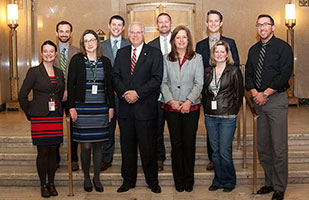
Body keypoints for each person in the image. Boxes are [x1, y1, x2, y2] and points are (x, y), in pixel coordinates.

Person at [245, 14, 293, 200]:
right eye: (259, 25)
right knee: (263, 147)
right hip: (259, 102)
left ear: (273, 27)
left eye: (266, 24)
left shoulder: (283, 48)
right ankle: (269, 182)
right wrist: (255, 92)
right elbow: (248, 73)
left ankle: (280, 186)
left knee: (278, 147)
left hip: (276, 101)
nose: (262, 28)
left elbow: (285, 73)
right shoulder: (253, 50)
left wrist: (266, 93)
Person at [111, 22, 163, 193]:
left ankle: (152, 181)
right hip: (126, 109)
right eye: (132, 32)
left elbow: (156, 79)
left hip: (145, 109)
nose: (134, 35)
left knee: (148, 148)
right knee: (127, 148)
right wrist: (126, 92)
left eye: (138, 32)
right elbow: (115, 76)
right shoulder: (122, 52)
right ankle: (128, 181)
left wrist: (137, 93)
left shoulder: (154, 53)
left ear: (144, 33)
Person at [67, 29, 114, 193]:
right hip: (82, 108)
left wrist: (111, 107)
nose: (90, 43)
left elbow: (110, 87)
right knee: (86, 146)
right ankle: (86, 176)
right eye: (86, 40)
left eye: (92, 39)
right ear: (82, 44)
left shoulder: (105, 61)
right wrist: (71, 107)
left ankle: (96, 178)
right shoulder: (76, 60)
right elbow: (70, 86)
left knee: (99, 146)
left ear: (97, 42)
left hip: (100, 108)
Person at [18, 40, 65, 198]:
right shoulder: (34, 72)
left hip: (55, 116)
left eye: (51, 51)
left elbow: (59, 94)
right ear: (41, 53)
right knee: (43, 151)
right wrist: (30, 112)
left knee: (54, 150)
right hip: (40, 117)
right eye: (45, 51)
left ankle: (51, 183)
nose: (49, 54)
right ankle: (43, 184)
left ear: (56, 53)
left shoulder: (59, 72)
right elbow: (22, 95)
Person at [161, 25, 204, 192]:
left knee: (189, 144)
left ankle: (189, 179)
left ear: (188, 40)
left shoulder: (197, 58)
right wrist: (171, 100)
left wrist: (188, 101)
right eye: (177, 37)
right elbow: (163, 82)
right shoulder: (166, 58)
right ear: (173, 40)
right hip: (171, 108)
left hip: (190, 108)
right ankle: (178, 179)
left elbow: (199, 83)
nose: (181, 40)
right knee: (176, 144)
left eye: (184, 37)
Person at [196, 9, 239, 171]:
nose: (213, 23)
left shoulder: (231, 42)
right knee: (211, 127)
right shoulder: (200, 45)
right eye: (210, 21)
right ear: (207, 24)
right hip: (209, 95)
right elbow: (198, 69)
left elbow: (235, 65)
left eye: (216, 21)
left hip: (226, 95)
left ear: (221, 23)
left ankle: (224, 159)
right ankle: (212, 158)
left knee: (225, 130)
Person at [204, 40, 243, 193]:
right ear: (213, 54)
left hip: (227, 117)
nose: (219, 54)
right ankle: (218, 180)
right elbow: (205, 93)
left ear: (227, 55)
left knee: (225, 151)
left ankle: (229, 180)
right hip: (210, 116)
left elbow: (239, 95)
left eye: (222, 51)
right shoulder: (207, 71)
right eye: (216, 51)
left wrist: (233, 111)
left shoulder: (233, 71)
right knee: (215, 151)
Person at [101, 15, 130, 171]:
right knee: (108, 127)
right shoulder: (101, 46)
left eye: (120, 25)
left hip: (125, 95)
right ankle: (106, 158)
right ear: (109, 26)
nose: (117, 27)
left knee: (126, 128)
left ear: (123, 27)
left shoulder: (130, 44)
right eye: (114, 24)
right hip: (107, 95)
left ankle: (128, 158)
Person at [53, 20, 80, 171]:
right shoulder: (50, 50)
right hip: (55, 97)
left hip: (72, 96)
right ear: (57, 33)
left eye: (67, 31)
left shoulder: (77, 52)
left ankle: (74, 159)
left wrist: (69, 90)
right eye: (61, 31)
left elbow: (78, 76)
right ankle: (55, 159)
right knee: (56, 127)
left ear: (71, 33)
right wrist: (60, 90)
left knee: (73, 128)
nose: (64, 34)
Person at [148, 12, 172, 171]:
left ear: (171, 24)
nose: (163, 24)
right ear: (157, 26)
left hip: (177, 96)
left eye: (166, 22)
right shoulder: (150, 45)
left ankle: (178, 158)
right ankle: (158, 157)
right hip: (156, 96)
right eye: (160, 22)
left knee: (176, 129)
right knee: (156, 128)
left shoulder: (180, 42)